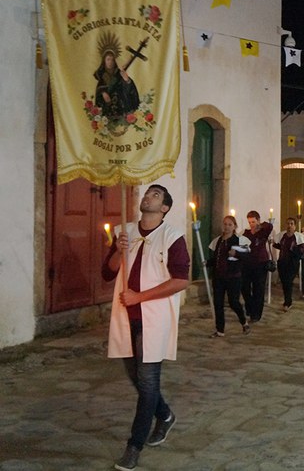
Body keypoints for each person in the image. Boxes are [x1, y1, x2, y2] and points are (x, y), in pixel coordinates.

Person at [103, 185, 190, 471]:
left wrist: (140, 297)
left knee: (148, 380)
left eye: (156, 195)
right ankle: (164, 414)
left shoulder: (173, 237)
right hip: (126, 314)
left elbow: (180, 280)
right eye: (148, 193)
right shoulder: (124, 231)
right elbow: (108, 271)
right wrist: (118, 250)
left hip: (154, 316)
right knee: (136, 378)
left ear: (164, 207)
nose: (148, 197)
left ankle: (133, 446)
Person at [207, 215, 251, 338]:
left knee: (233, 302)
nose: (226, 227)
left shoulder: (238, 241)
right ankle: (220, 329)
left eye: (229, 224)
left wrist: (236, 253)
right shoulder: (218, 241)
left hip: (233, 277)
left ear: (234, 226)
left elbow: (246, 258)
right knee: (218, 303)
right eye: (225, 224)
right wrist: (208, 262)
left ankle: (243, 321)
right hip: (219, 277)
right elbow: (217, 257)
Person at [241, 210, 273, 323]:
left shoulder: (263, 232)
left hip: (260, 264)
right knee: (244, 287)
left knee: (258, 290)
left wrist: (260, 226)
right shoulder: (246, 234)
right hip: (247, 264)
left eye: (253, 222)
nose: (251, 224)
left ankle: (256, 314)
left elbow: (270, 225)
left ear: (258, 221)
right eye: (249, 222)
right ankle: (249, 307)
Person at [94, 46, 139, 119]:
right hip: (107, 111)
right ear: (104, 61)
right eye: (108, 59)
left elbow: (129, 89)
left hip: (121, 108)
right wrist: (103, 93)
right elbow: (99, 91)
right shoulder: (101, 76)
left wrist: (127, 80)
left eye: (112, 60)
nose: (110, 62)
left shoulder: (119, 74)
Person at [272, 217, 304, 312]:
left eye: (292, 224)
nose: (289, 226)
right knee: (284, 282)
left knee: (288, 281)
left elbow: (303, 250)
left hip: (293, 263)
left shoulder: (298, 237)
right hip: (282, 262)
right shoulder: (282, 235)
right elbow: (277, 245)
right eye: (288, 223)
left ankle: (287, 302)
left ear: (295, 226)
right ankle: (287, 300)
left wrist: (295, 250)